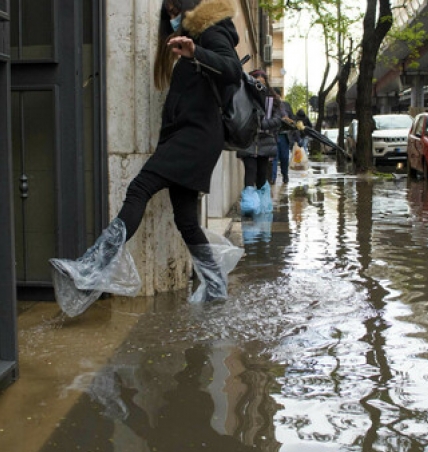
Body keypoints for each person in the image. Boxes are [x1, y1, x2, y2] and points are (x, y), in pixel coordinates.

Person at [50, 0, 242, 307]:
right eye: (168, 14)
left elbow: (232, 70)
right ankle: (216, 288)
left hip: (195, 137)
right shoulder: (194, 39)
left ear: (189, 5)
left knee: (140, 187)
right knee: (186, 220)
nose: (173, 18)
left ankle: (91, 268)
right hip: (190, 137)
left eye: (175, 10)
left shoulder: (211, 31)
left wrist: (196, 53)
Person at [238, 69, 282, 217]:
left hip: (265, 142)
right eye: (257, 82)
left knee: (261, 174)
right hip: (248, 140)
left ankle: (261, 206)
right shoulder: (244, 96)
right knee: (250, 170)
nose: (260, 86)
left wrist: (263, 123)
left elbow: (278, 120)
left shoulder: (273, 100)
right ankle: (249, 207)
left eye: (262, 83)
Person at [271, 90, 296, 184]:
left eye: (276, 94)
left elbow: (293, 121)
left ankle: (285, 175)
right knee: (274, 157)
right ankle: (272, 178)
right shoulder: (270, 106)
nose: (275, 97)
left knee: (284, 158)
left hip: (285, 137)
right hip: (273, 136)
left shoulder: (286, 106)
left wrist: (296, 138)